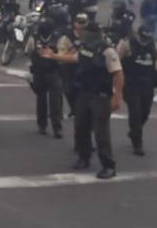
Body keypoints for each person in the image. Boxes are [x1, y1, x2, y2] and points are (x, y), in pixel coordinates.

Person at [41, 21, 124, 180]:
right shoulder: (86, 47)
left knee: (101, 133)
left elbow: (118, 74)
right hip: (84, 93)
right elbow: (74, 58)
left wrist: (116, 97)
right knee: (81, 128)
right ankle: (84, 158)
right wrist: (53, 56)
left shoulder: (107, 51)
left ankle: (108, 166)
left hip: (100, 96)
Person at [115, 26, 157, 156]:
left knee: (145, 112)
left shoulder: (154, 46)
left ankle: (134, 131)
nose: (145, 41)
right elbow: (116, 62)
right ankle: (137, 143)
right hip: (131, 84)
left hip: (147, 84)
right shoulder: (126, 45)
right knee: (135, 113)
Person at [27, 18, 70, 138]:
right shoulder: (35, 37)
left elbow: (62, 54)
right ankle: (43, 125)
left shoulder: (59, 38)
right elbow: (30, 51)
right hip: (39, 72)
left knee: (54, 101)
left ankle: (55, 127)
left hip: (53, 71)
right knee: (42, 100)